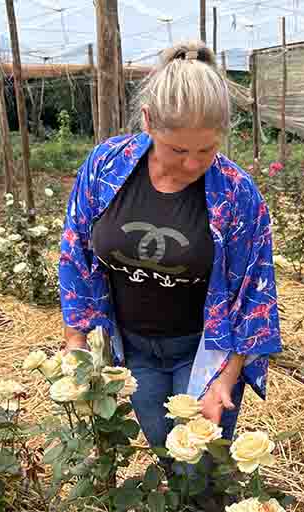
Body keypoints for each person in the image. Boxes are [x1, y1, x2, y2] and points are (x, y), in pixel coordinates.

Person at [57, 40, 281, 466]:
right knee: (167, 454)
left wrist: (225, 379)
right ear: (148, 122)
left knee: (201, 467)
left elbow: (253, 296)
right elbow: (75, 254)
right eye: (178, 150)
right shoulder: (106, 168)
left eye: (207, 149)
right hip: (134, 351)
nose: (194, 164)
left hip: (201, 351)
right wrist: (77, 339)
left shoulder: (235, 194)